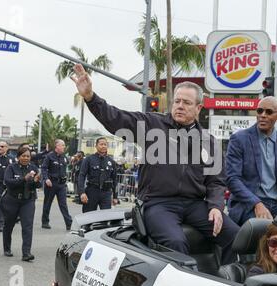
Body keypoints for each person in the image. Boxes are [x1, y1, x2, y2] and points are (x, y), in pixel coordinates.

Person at [71, 64, 239, 264]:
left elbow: (216, 181)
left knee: (236, 236)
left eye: (186, 102)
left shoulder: (208, 141)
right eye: (177, 101)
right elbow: (116, 118)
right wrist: (91, 98)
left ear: (199, 108)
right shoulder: (152, 125)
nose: (180, 106)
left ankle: (227, 282)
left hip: (195, 204)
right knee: (176, 242)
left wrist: (216, 207)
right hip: (158, 203)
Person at [226, 96, 277, 226]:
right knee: (264, 230)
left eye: (269, 112)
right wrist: (256, 203)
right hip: (248, 205)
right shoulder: (239, 139)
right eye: (259, 111)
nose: (263, 115)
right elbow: (232, 179)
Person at [1, 146, 41, 261]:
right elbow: (8, 182)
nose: (26, 158)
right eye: (23, 156)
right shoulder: (11, 168)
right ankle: (7, 248)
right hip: (12, 200)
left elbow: (38, 185)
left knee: (27, 226)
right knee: (9, 225)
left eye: (28, 156)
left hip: (27, 201)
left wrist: (37, 181)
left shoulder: (33, 168)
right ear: (18, 157)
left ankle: (26, 253)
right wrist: (24, 179)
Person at [78, 138, 118, 212]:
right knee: (88, 217)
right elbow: (81, 176)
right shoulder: (89, 159)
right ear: (96, 146)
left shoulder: (111, 162)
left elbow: (115, 180)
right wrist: (82, 192)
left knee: (106, 218)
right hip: (92, 191)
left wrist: (115, 196)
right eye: (101, 144)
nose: (103, 146)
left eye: (105, 144)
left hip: (106, 193)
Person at [41, 139, 72, 230]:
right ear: (57, 146)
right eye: (62, 145)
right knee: (47, 203)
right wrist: (46, 179)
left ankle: (68, 223)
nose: (64, 147)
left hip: (61, 184)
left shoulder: (64, 157)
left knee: (63, 204)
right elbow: (44, 168)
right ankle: (45, 221)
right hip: (51, 184)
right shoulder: (49, 156)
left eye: (64, 145)